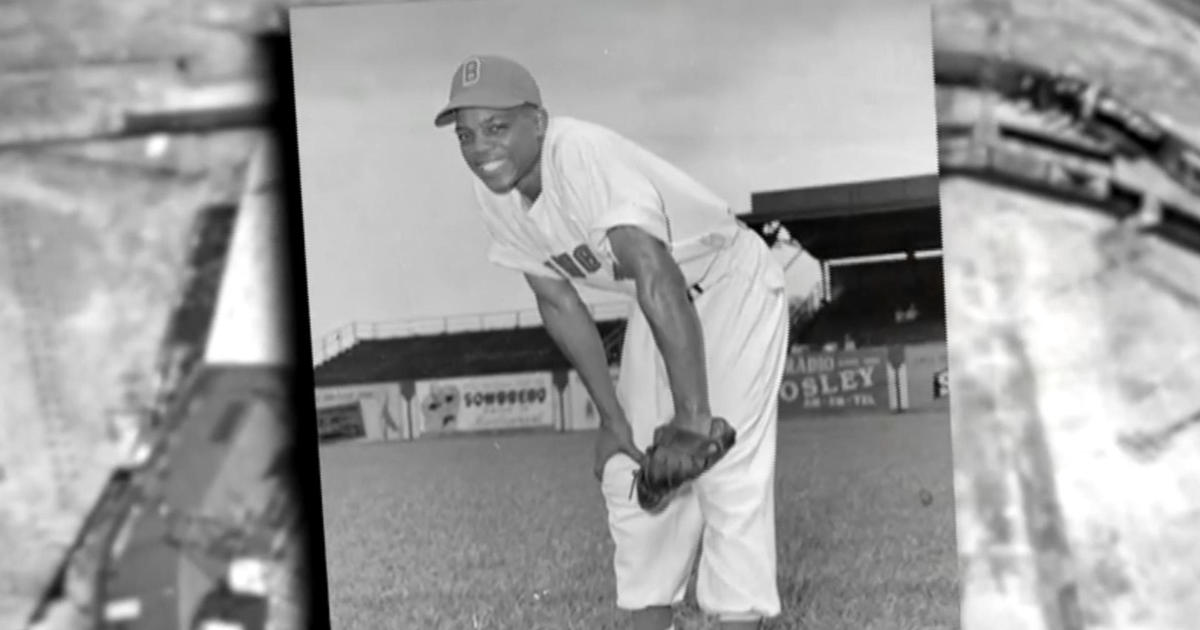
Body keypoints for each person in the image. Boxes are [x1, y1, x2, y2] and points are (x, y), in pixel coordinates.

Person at [434, 55, 789, 630]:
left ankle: (736, 617)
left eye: (496, 127)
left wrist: (694, 417)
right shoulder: (495, 195)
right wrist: (611, 418)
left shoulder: (578, 154)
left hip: (726, 281)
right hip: (659, 305)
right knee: (628, 473)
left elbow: (655, 271)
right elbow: (558, 301)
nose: (479, 147)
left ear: (539, 121)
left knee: (724, 469)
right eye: (466, 135)